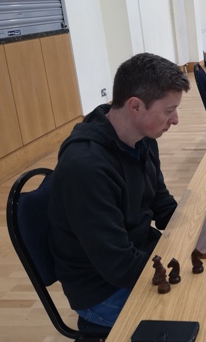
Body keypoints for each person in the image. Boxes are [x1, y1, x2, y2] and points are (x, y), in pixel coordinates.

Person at [48, 53, 190, 327]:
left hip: (137, 255)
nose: (175, 120)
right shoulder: (86, 167)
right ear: (135, 106)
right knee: (202, 308)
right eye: (169, 110)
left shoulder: (143, 139)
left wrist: (199, 234)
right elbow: (117, 265)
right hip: (102, 290)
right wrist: (181, 273)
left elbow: (161, 204)